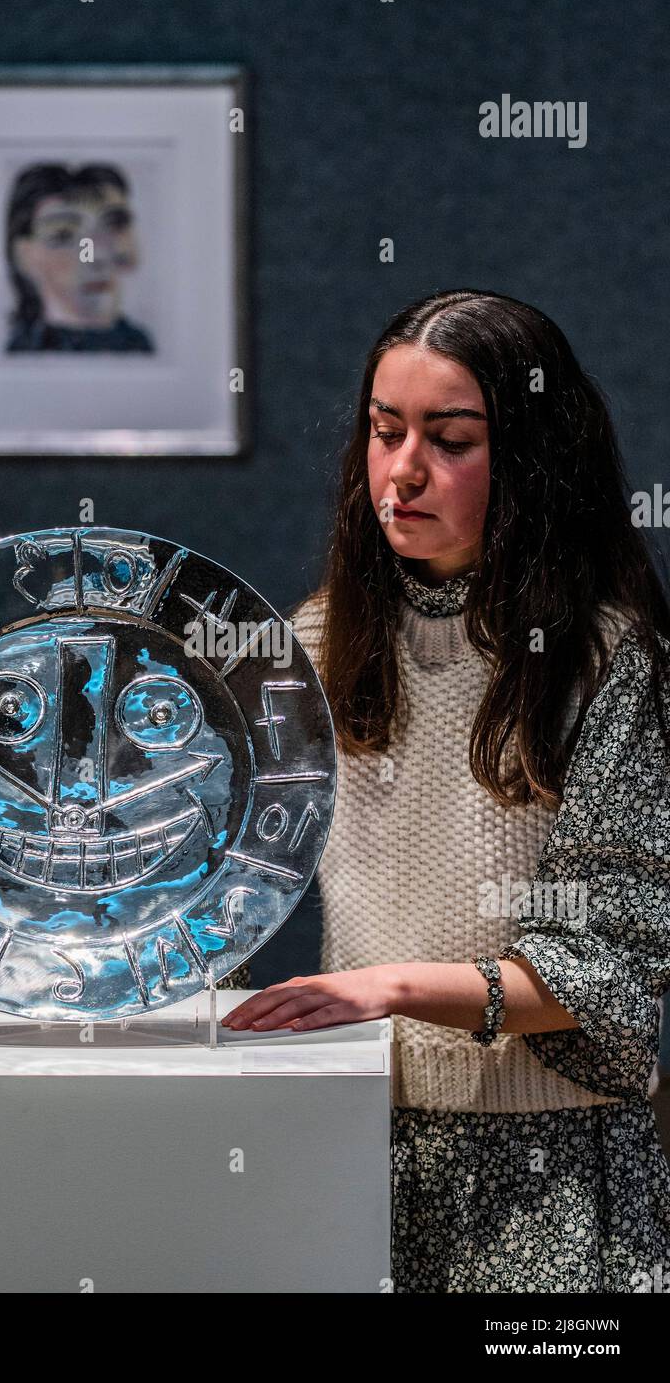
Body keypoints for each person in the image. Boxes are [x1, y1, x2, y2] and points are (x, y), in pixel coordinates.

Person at [221, 288, 670, 1293]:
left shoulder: (608, 660)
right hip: (347, 1144)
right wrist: (12, 979)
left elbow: (616, 969)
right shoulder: (317, 641)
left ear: (531, 458)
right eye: (385, 433)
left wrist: (388, 985)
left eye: (450, 438)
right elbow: (190, 884)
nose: (404, 471)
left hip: (548, 1167)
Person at [3, 163, 155, 353]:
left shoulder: (139, 346)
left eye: (114, 225)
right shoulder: (23, 354)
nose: (93, 256)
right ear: (24, 254)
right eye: (64, 235)